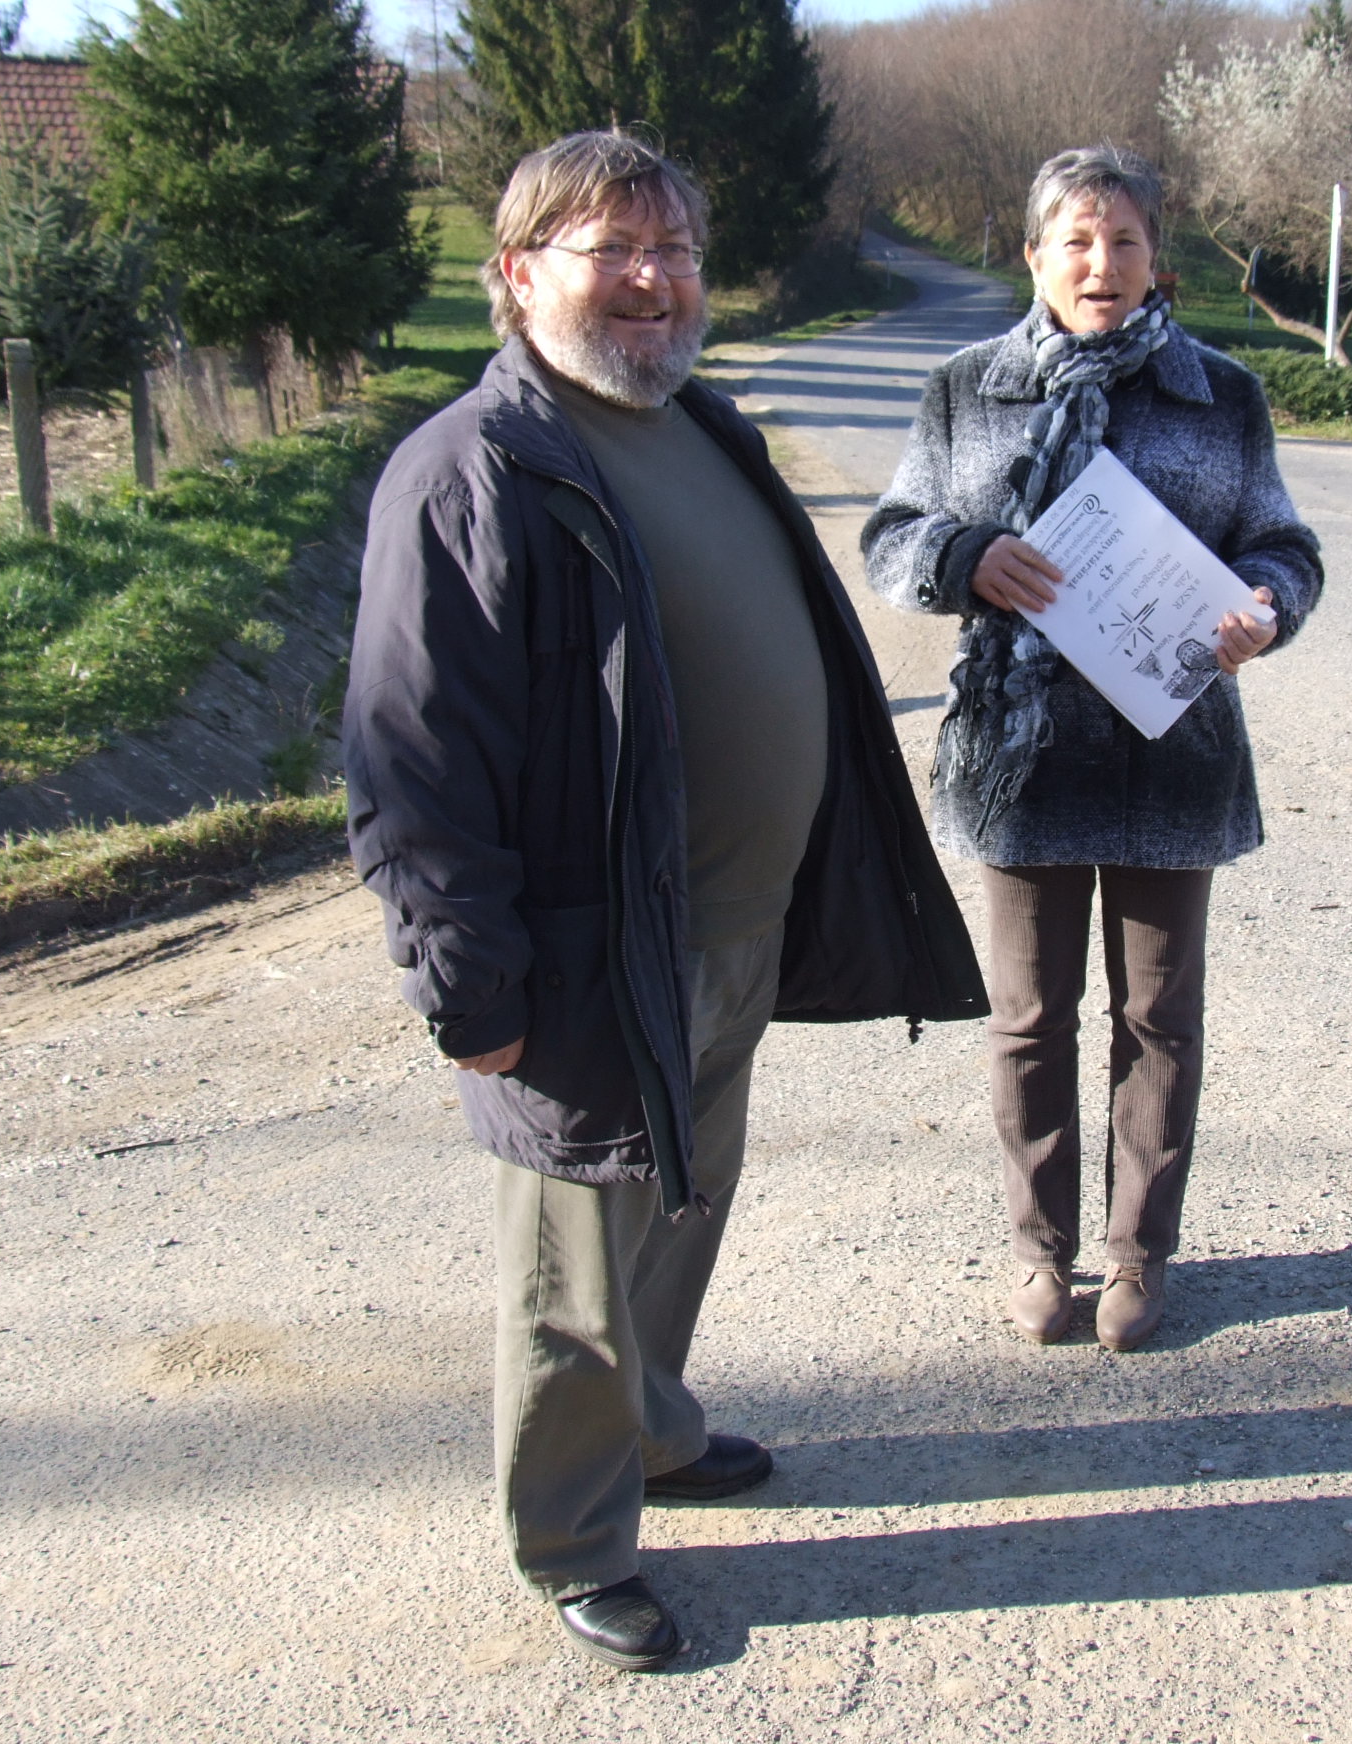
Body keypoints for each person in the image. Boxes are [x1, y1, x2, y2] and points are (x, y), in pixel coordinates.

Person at [344, 130, 984, 1671]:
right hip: (588, 954)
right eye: (610, 250)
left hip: (730, 925)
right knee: (577, 1262)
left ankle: (653, 1427)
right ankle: (573, 1537)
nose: (653, 279)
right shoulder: (472, 470)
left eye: (675, 251)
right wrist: (469, 987)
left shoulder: (694, 420)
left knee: (680, 1213)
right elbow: (413, 759)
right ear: (519, 276)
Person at [863, 144, 1322, 1353]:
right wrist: (965, 557)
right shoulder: (966, 389)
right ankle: (1039, 1249)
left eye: (1123, 241)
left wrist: (1264, 608)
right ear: (1034, 256)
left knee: (1160, 1017)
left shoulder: (1222, 396)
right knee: (1028, 1016)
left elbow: (1283, 546)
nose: (1100, 263)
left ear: (1157, 260)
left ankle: (1138, 1254)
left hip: (1174, 748)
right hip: (1023, 759)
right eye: (1075, 240)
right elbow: (892, 535)